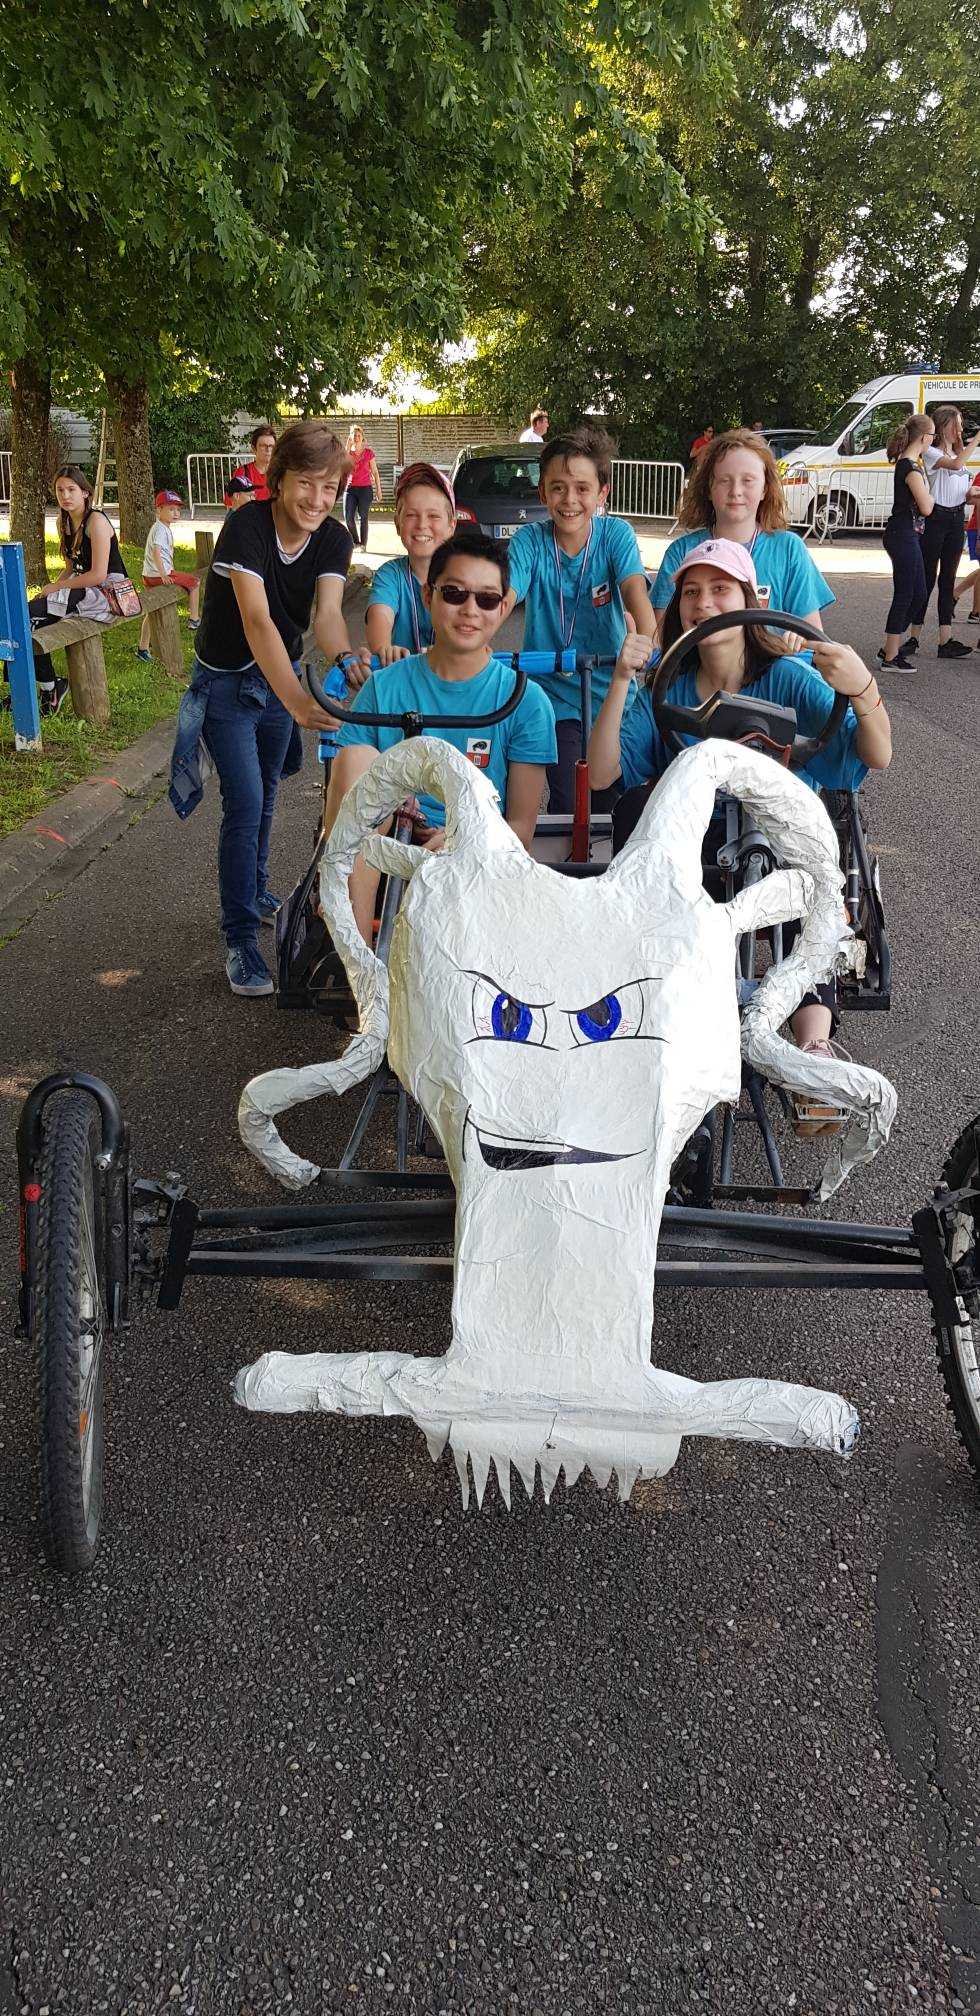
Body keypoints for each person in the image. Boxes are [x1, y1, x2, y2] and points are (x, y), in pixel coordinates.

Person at [588, 538, 891, 1127]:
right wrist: (622, 677)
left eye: (720, 589)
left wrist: (862, 689)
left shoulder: (789, 679)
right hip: (696, 842)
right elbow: (602, 775)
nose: (704, 603)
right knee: (634, 810)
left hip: (778, 837)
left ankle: (813, 1044)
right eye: (691, 592)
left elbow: (876, 754)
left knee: (806, 871)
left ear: (749, 601)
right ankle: (648, 1013)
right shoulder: (666, 685)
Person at [172, 420, 371, 998]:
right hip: (227, 682)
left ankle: (256, 889)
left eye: (329, 487)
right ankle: (239, 939)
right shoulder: (246, 527)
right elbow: (257, 621)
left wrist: (346, 656)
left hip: (276, 674)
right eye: (306, 483)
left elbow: (327, 616)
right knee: (246, 801)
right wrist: (300, 701)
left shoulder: (333, 538)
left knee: (267, 788)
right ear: (278, 479)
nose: (317, 499)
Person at [327, 527, 557, 942]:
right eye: (454, 594)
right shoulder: (384, 687)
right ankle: (354, 959)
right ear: (428, 596)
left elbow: (519, 830)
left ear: (504, 608)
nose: (470, 610)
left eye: (486, 599)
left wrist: (460, 840)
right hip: (383, 845)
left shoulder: (526, 701)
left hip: (475, 857)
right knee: (355, 759)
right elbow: (346, 794)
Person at [504, 423, 655, 811]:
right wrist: (474, 638)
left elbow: (635, 593)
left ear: (602, 493)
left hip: (612, 693)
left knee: (617, 801)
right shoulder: (530, 541)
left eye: (582, 488)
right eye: (558, 487)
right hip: (553, 697)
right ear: (543, 492)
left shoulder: (615, 535)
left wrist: (645, 639)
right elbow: (504, 597)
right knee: (573, 800)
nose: (569, 499)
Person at [650, 427, 834, 643]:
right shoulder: (681, 552)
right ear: (708, 489)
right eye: (724, 480)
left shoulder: (789, 549)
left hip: (773, 664)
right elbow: (662, 639)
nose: (735, 491)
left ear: (765, 489)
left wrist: (798, 641)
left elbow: (813, 636)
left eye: (748, 480)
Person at [27, 465, 133, 715]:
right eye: (60, 490)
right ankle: (46, 687)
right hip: (81, 586)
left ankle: (49, 690)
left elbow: (98, 574)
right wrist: (50, 590)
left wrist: (59, 587)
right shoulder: (63, 522)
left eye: (71, 489)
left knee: (28, 615)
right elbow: (70, 568)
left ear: (85, 492)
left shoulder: (96, 521)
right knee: (27, 618)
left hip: (107, 592)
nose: (65, 496)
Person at [906, 405, 980, 660]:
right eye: (955, 424)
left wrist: (971, 493)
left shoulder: (956, 454)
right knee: (927, 578)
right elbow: (956, 465)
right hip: (936, 518)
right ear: (943, 426)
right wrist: (976, 440)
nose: (959, 429)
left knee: (948, 579)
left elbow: (961, 490)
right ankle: (914, 636)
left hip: (956, 518)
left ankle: (945, 639)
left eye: (960, 424)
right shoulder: (932, 452)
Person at [365, 462, 456, 663]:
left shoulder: (464, 576)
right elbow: (380, 615)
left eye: (433, 516)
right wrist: (383, 648)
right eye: (411, 515)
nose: (422, 524)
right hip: (403, 676)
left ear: (452, 526)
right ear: (398, 524)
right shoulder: (390, 575)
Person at [878, 414, 935, 669]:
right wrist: (931, 497)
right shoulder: (910, 468)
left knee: (919, 593)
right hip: (902, 534)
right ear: (923, 437)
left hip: (908, 534)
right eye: (932, 435)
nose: (933, 440)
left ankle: (890, 646)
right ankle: (890, 656)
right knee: (906, 593)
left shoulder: (912, 464)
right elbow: (927, 507)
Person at [136, 488, 200, 666]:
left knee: (152, 611)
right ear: (159, 510)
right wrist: (164, 574)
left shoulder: (160, 528)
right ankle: (194, 619)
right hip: (159, 575)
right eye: (171, 509)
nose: (176, 513)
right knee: (195, 582)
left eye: (177, 509)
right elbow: (156, 551)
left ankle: (142, 648)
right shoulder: (160, 529)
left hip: (149, 574)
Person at [344, 426, 384, 549]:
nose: (356, 438)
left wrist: (378, 490)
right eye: (354, 435)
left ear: (362, 438)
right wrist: (347, 447)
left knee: (363, 517)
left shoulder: (368, 453)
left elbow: (375, 472)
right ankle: (356, 542)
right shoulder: (348, 453)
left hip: (365, 489)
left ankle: (363, 544)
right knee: (348, 517)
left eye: (358, 436)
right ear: (350, 438)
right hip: (350, 489)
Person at [232, 424, 277, 503]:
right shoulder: (242, 473)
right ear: (254, 449)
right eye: (263, 446)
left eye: (271, 446)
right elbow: (232, 505)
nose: (268, 450)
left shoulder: (281, 473)